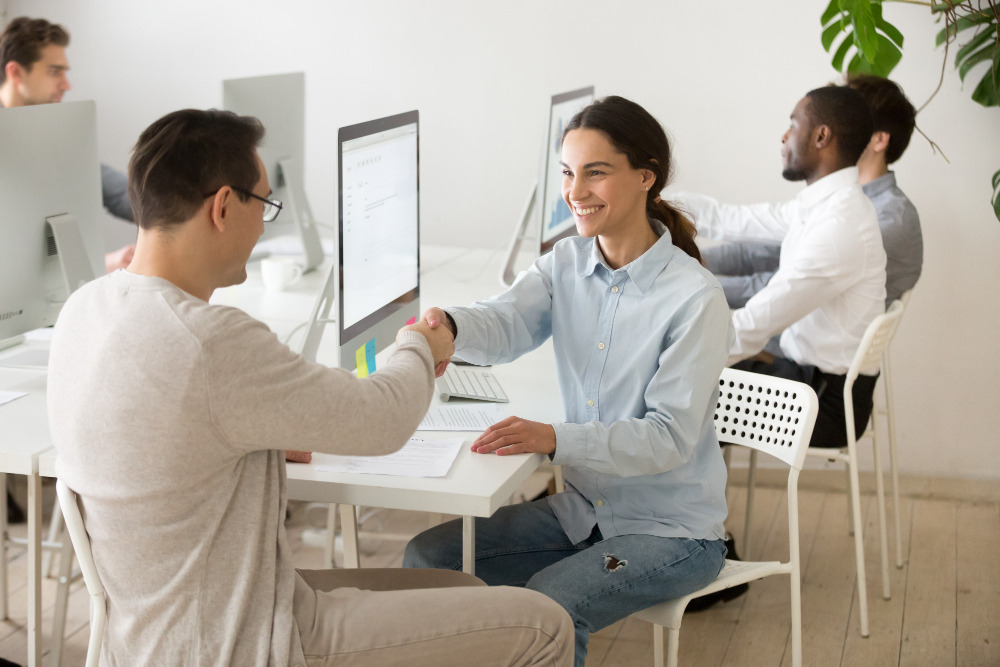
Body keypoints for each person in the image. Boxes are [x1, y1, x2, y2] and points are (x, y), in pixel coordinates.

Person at [47, 108, 573, 666]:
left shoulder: (87, 308)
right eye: (265, 205)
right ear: (224, 207)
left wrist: (262, 434)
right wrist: (422, 344)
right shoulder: (210, 341)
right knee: (546, 626)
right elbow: (383, 420)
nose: (265, 224)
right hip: (246, 642)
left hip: (151, 637)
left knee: (465, 592)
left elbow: (167, 432)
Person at [403, 96, 735, 666]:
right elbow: (507, 321)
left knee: (551, 605)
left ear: (645, 177)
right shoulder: (566, 264)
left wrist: (555, 438)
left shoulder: (695, 299)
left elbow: (667, 438)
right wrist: (451, 328)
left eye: (596, 172)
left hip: (672, 534)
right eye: (567, 172)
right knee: (428, 558)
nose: (575, 190)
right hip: (584, 512)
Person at [674, 85, 886, 451]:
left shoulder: (839, 228)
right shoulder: (826, 206)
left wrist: (666, 358)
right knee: (676, 388)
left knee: (673, 399)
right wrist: (650, 199)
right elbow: (732, 219)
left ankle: (638, 506)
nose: (784, 136)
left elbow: (754, 325)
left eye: (793, 124)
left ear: (821, 136)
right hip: (804, 379)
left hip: (821, 403)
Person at [701, 75, 922, 311]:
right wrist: (694, 260)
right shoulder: (836, 196)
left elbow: (778, 287)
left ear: (878, 140)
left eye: (851, 118)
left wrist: (688, 286)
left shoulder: (886, 219)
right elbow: (766, 251)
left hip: (790, 341)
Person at [0, 16, 135, 272]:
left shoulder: (54, 135)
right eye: (54, 71)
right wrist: (102, 263)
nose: (66, 84)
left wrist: (182, 206)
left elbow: (120, 193)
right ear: (16, 72)